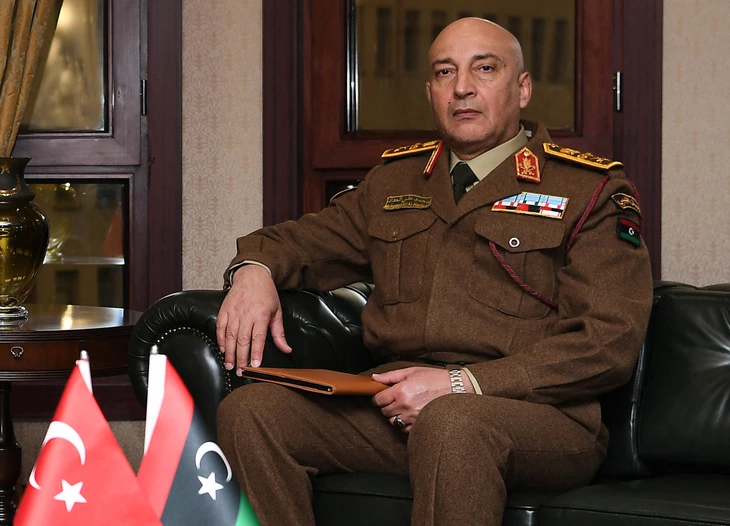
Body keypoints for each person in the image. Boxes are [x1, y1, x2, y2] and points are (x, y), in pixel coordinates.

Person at [215, 17, 653, 526]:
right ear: (430, 92)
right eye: (445, 72)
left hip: (539, 415)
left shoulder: (588, 189)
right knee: (251, 413)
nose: (462, 87)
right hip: (394, 406)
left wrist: (464, 383)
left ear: (523, 88)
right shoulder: (395, 182)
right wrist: (253, 269)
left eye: (484, 69)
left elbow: (607, 342)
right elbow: (298, 242)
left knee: (452, 420)